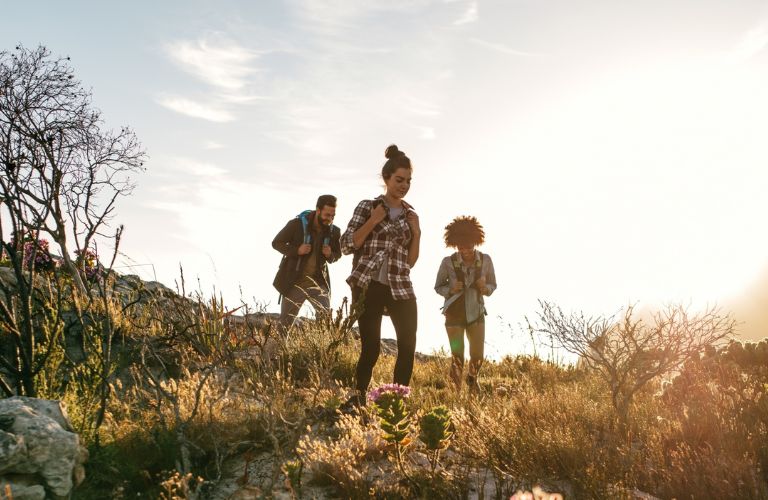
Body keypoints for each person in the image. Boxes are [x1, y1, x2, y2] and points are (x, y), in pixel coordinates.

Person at [340, 144, 421, 408]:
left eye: (408, 181)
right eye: (399, 180)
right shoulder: (367, 206)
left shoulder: (411, 215)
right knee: (371, 347)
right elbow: (346, 245)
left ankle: (396, 403)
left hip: (400, 286)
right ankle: (358, 398)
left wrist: (417, 233)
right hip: (368, 283)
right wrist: (373, 220)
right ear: (386, 178)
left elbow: (410, 262)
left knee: (407, 346)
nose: (404, 185)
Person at [434, 216, 496, 392]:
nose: (465, 250)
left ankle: (472, 379)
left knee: (477, 356)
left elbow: (493, 285)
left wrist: (485, 288)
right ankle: (455, 392)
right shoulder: (447, 262)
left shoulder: (486, 260)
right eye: (461, 247)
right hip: (453, 315)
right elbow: (438, 286)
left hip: (477, 313)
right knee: (457, 356)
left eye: (468, 246)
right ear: (455, 245)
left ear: (475, 242)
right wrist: (451, 289)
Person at [272, 194, 341, 334]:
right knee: (284, 326)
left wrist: (330, 255)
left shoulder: (334, 231)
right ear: (318, 210)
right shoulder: (296, 224)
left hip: (319, 283)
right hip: (294, 282)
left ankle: (321, 348)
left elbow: (337, 254)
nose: (330, 219)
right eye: (327, 215)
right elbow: (276, 243)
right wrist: (297, 250)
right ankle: (278, 349)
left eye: (333, 216)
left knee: (326, 322)